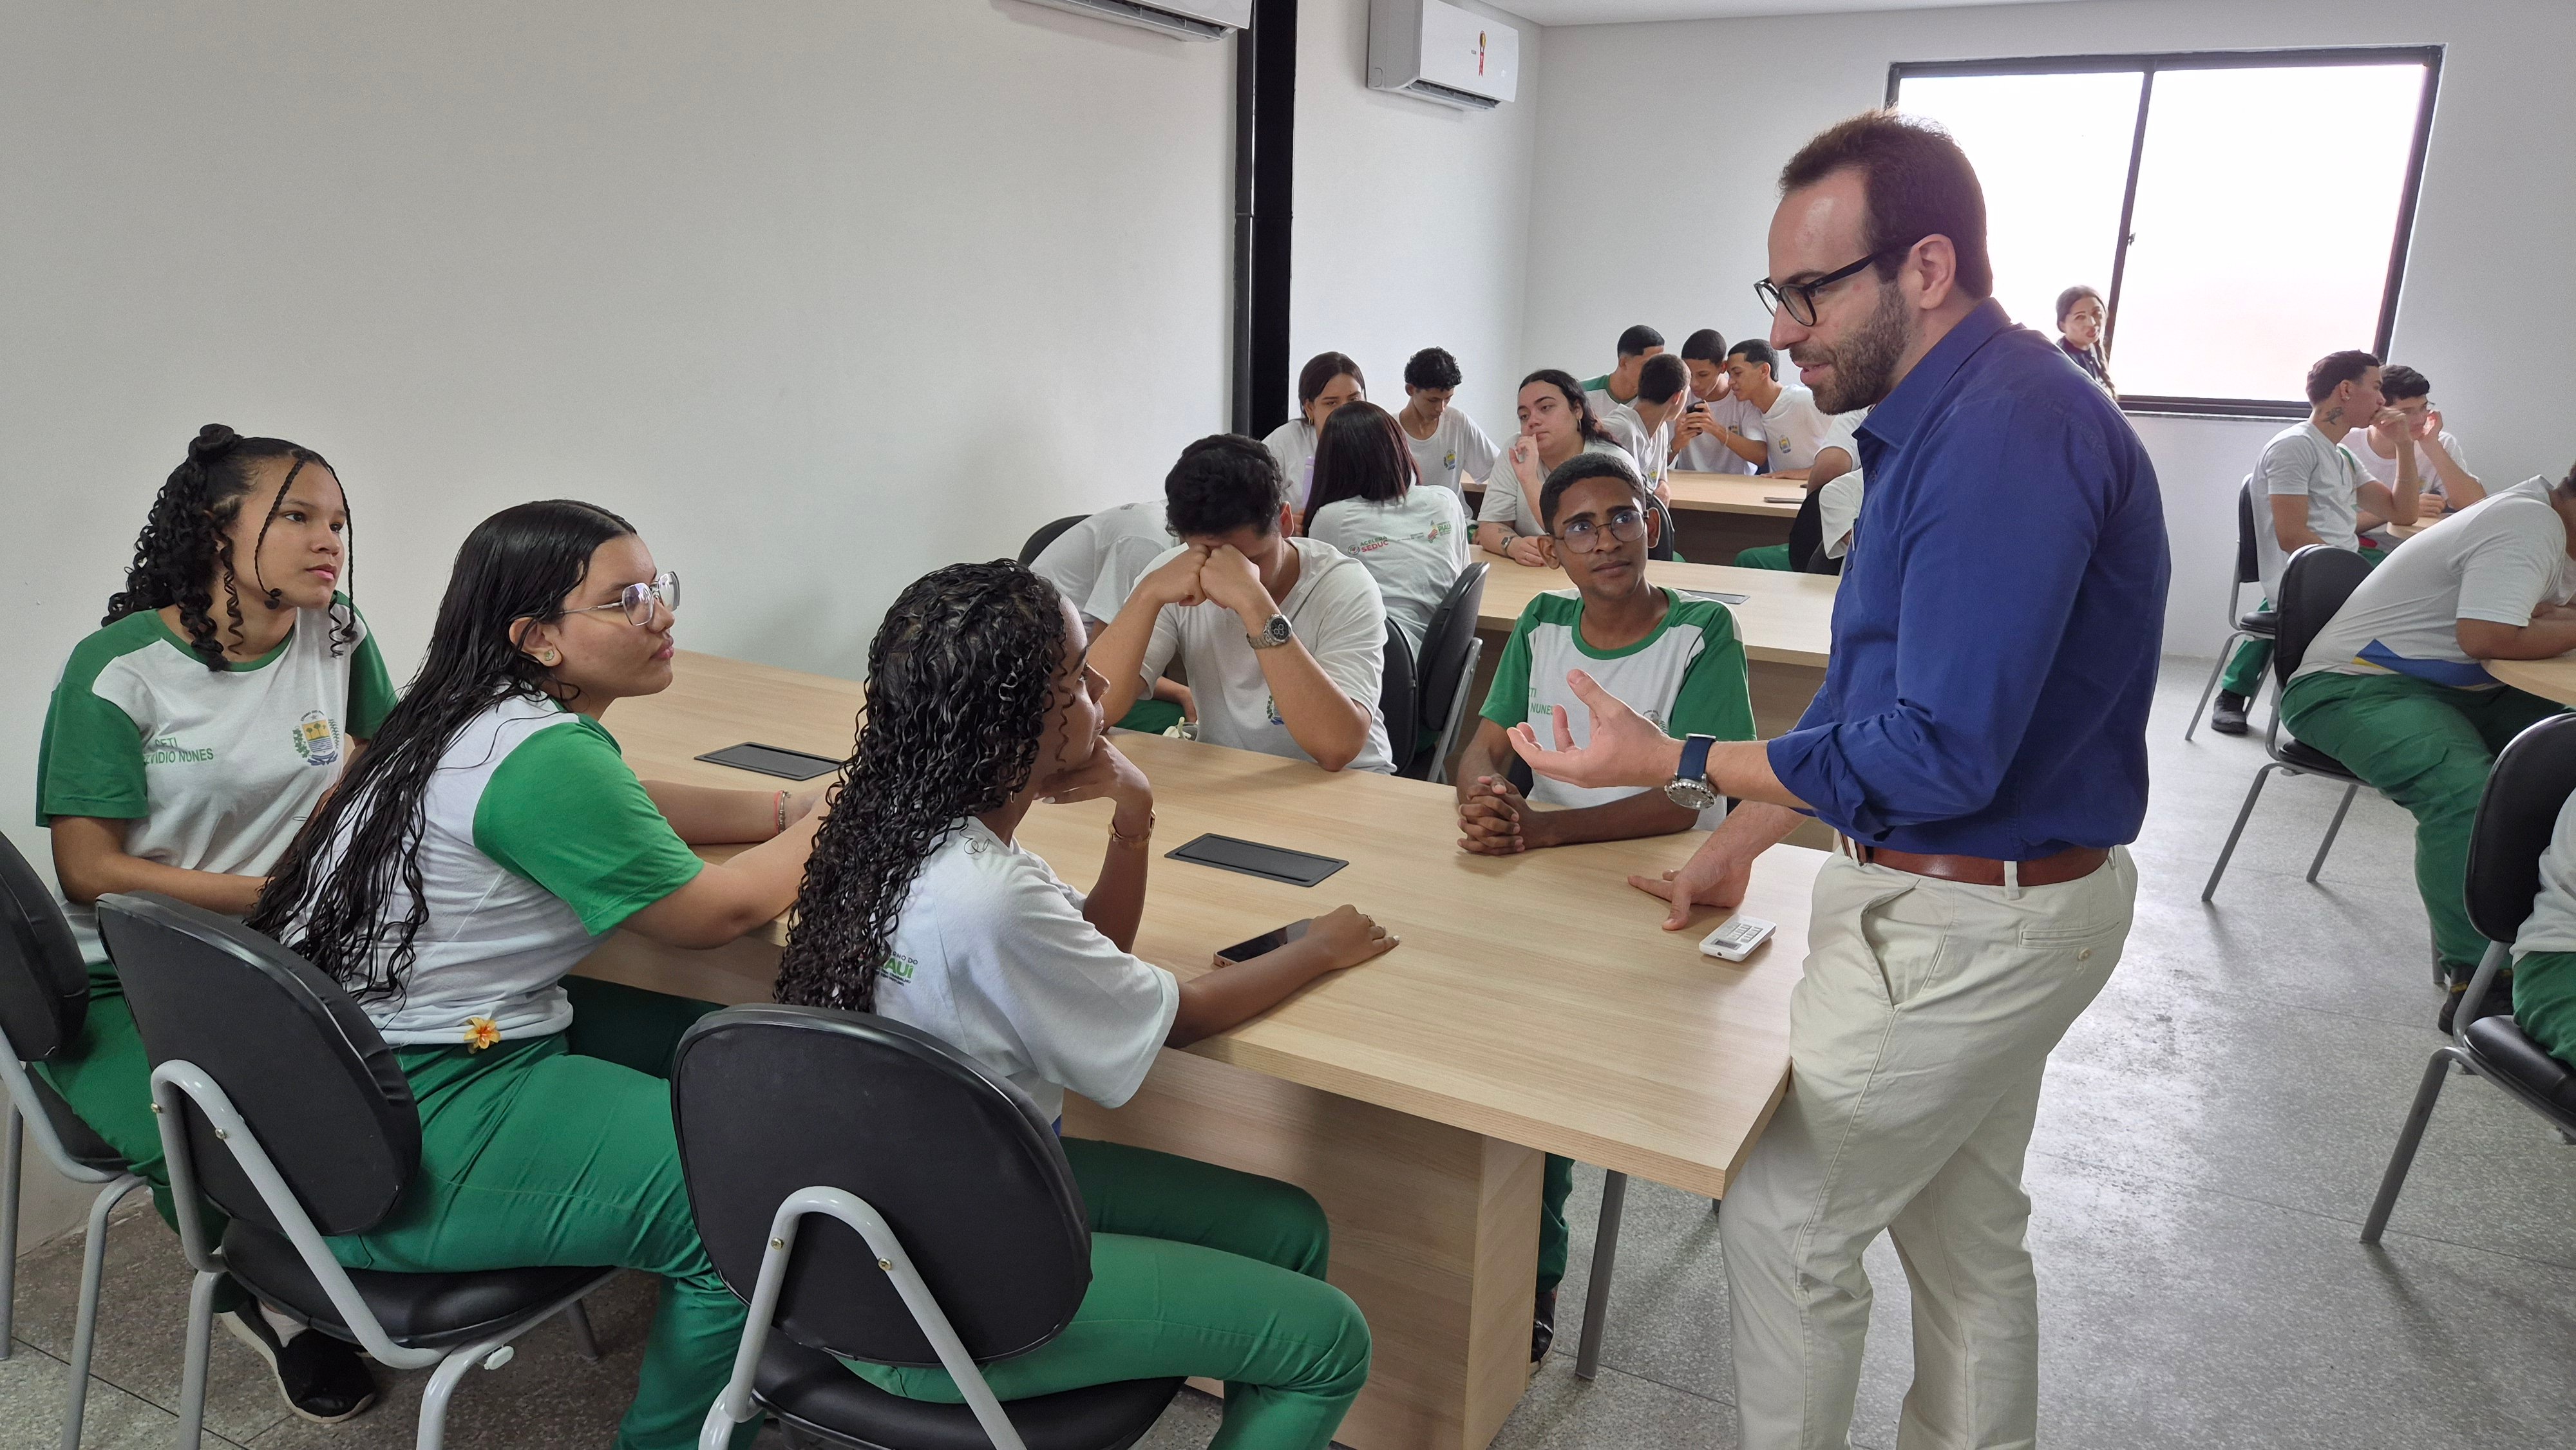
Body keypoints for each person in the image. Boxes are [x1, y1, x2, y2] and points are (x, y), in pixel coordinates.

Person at [1505, 111, 2166, 1450]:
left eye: (1809, 292)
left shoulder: (2005, 433)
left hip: (1971, 917)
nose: (1782, 329)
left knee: (1784, 1216)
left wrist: (1680, 759)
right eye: (1777, 291)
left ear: (1926, 267)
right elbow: (1875, 693)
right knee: (1964, 1239)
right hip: (1988, 897)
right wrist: (1742, 835)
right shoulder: (1947, 421)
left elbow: (1939, 747)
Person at [251, 500, 830, 1450]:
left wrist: (779, 809)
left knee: (736, 1056)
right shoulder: (545, 757)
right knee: (758, 1197)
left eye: (658, 587)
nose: (662, 614)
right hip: (409, 1132)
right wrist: (841, 816)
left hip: (327, 1100)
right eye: (627, 599)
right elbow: (713, 916)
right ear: (537, 637)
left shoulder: (468, 716)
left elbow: (614, 801)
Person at [773, 560, 1391, 1450]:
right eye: (1076, 678)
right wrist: (1319, 948)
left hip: (901, 1216)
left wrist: (1133, 812)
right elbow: (1179, 1016)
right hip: (932, 1302)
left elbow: (1092, 957)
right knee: (1329, 1341)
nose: (1104, 685)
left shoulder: (894, 827)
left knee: (1287, 1227)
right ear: (1017, 720)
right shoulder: (987, 896)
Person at [38, 424, 391, 1422]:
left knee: (436, 1054)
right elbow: (89, 870)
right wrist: (271, 890)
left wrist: (341, 842)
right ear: (215, 528)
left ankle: (364, 1265)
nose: (329, 542)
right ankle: (273, 1306)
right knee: (211, 1140)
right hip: (129, 975)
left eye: (338, 523)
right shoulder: (119, 669)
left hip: (286, 949)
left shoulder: (335, 629)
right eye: (297, 517)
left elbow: (383, 755)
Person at [1448, 452, 1757, 1357]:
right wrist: (1483, 797)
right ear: (1552, 549)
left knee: (1544, 1060)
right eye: (1578, 527)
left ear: (1649, 522)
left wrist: (1544, 830)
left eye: (1622, 516)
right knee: (1464, 1030)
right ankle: (1466, 1247)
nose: (1606, 539)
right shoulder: (1543, 620)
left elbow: (1692, 796)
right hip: (1538, 874)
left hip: (1658, 880)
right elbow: (1484, 747)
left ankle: (1537, 1269)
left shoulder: (1700, 630)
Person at [2278, 467, 2576, 1030]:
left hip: (2462, 688)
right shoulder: (2528, 523)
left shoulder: (2548, 521)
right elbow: (2488, 636)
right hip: (2354, 686)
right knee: (2466, 792)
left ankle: (2546, 939)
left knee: (2563, 756)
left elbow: (2541, 619)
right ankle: (2479, 980)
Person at [1093, 436, 1397, 774]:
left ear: (1285, 522)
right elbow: (1093, 710)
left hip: (1348, 782)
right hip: (1231, 773)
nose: (1225, 576)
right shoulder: (1174, 574)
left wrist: (1254, 602)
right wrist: (1147, 595)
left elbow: (1336, 749)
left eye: (1251, 560)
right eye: (1207, 557)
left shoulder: (1345, 585)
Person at [2206, 352, 2422, 735]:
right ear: (2345, 390)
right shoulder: (2294, 447)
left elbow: (2402, 512)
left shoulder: (2341, 455)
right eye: (2375, 388)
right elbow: (2292, 537)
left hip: (2332, 575)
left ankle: (2360, 717)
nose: (2381, 400)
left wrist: (2405, 445)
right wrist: (2356, 578)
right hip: (2307, 581)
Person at [1303, 401, 1464, 658]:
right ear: (1399, 448)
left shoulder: (1332, 519)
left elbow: (1314, 605)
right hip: (1439, 659)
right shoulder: (1446, 502)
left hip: (1379, 661)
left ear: (1332, 464)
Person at [1027, 501, 1195, 731]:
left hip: (1075, 666)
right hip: (1050, 679)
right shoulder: (1146, 545)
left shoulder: (1158, 525)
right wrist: (1180, 692)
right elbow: (1099, 678)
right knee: (1177, 722)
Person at [1475, 370, 1639, 564]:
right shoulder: (1517, 450)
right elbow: (1489, 525)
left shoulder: (1611, 460)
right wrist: (1513, 545)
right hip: (1534, 573)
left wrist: (1529, 480)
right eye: (1524, 416)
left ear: (1577, 410)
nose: (1533, 421)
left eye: (1545, 408)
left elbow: (1571, 537)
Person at [1734, 406, 1871, 571]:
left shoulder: (1860, 412)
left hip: (1850, 557)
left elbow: (1829, 468)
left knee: (1748, 559)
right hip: (1859, 549)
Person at [2345, 364, 2482, 509]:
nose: (2420, 419)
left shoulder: (2440, 441)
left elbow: (2476, 506)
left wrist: (2432, 446)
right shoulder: (2347, 444)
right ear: (2377, 410)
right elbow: (2332, 519)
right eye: (2406, 412)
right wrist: (2405, 508)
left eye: (2424, 407)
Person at [1262, 352, 1366, 514]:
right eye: (1332, 403)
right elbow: (1250, 506)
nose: (1345, 410)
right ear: (1310, 408)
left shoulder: (1379, 438)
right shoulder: (1284, 442)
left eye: (1353, 400)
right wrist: (1280, 522)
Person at [1395, 346, 1502, 498]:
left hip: (1455, 512)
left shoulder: (1458, 423)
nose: (1441, 408)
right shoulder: (1388, 431)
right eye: (1433, 400)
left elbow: (1499, 468)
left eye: (1448, 399)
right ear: (1410, 390)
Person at [1723, 338, 1835, 478]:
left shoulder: (1804, 400)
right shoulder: (1753, 411)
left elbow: (1852, 442)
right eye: (1729, 375)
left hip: (1823, 488)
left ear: (1764, 371)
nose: (1730, 382)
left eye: (1738, 373)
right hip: (1781, 490)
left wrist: (1805, 473)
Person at [1671, 328, 1763, 476]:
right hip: (1689, 481)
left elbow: (1760, 457)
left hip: (1737, 484)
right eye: (1689, 374)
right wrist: (1677, 443)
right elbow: (1656, 463)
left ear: (1723, 367)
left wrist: (1715, 429)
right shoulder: (1679, 396)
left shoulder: (1743, 398)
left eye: (1703, 375)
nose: (1694, 383)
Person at [1604, 352, 1694, 499]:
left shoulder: (1661, 429)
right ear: (1677, 397)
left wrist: (1664, 487)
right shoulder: (1619, 429)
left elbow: (1658, 479)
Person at [1579, 324, 1664, 418]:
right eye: (1648, 365)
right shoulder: (1581, 395)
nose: (1656, 373)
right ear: (1623, 363)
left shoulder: (1657, 401)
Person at [2055, 284, 2116, 397]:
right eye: (2080, 317)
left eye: (2096, 313)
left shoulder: (2093, 348)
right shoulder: (2063, 364)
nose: (2092, 323)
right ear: (2062, 325)